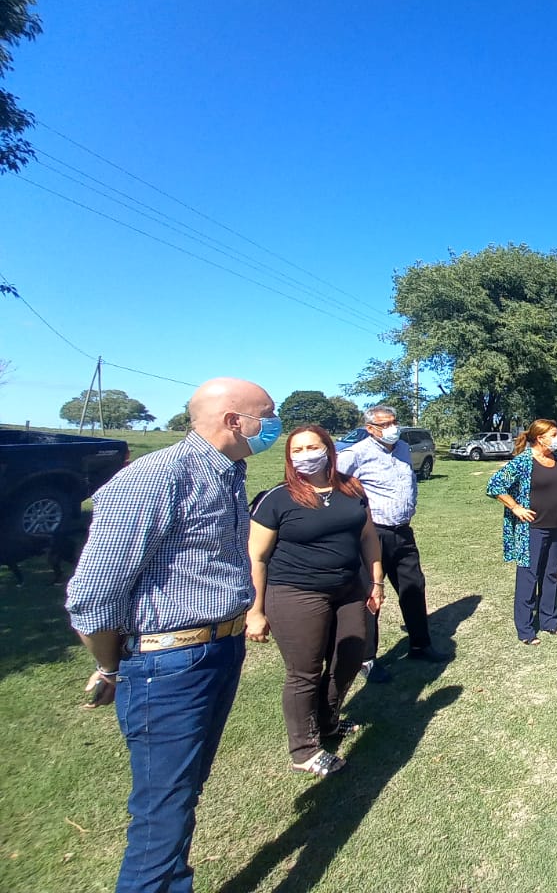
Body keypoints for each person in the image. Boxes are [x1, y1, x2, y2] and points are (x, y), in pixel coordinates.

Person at [65, 377, 278, 893]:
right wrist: (110, 666)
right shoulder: (155, 478)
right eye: (268, 414)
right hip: (168, 667)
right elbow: (92, 597)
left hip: (219, 650)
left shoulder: (228, 472)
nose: (275, 425)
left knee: (184, 793)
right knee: (162, 814)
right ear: (234, 421)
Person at [246, 425, 385, 776]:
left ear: (328, 450)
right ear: (289, 457)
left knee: (349, 659)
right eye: (298, 450)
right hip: (295, 592)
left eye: (313, 447)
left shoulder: (352, 488)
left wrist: (376, 581)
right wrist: (255, 610)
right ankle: (305, 749)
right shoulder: (277, 499)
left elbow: (368, 537)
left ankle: (327, 721)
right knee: (304, 672)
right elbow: (256, 557)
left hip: (349, 589)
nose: (306, 455)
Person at [336, 404, 446, 681]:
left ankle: (420, 644)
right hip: (372, 534)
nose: (392, 428)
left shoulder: (403, 449)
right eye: (385, 424)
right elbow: (334, 483)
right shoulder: (355, 454)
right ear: (370, 429)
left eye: (394, 422)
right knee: (371, 594)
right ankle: (366, 659)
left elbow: (408, 483)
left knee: (413, 586)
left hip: (402, 532)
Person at [486, 419, 557, 645]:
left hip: (554, 527)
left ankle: (549, 620)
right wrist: (515, 507)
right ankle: (525, 629)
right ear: (540, 438)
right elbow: (494, 485)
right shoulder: (523, 461)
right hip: (531, 529)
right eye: (553, 434)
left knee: (550, 575)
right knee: (529, 577)